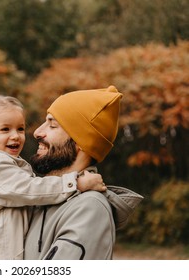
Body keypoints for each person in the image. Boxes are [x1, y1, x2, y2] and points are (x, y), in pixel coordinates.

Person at [0, 95, 106, 260]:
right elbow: (33, 190)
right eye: (5, 129)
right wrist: (76, 183)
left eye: (20, 129)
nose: (16, 136)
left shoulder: (90, 207)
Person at [23, 85, 144, 259]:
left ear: (81, 142)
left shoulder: (89, 208)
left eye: (52, 126)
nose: (37, 132)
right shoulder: (42, 196)